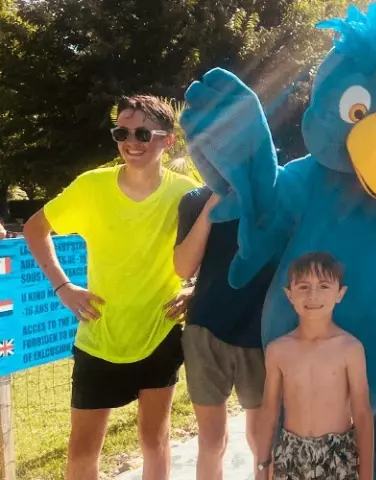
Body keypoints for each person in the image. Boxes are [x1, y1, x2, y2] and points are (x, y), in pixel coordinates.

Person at [23, 95, 198, 480]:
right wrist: (63, 287)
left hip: (159, 331)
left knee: (154, 441)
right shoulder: (92, 186)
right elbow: (36, 229)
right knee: (82, 452)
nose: (131, 142)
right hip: (99, 336)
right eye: (122, 132)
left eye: (142, 133)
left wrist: (195, 289)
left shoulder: (186, 193)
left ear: (168, 140)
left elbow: (219, 245)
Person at [174, 185, 278, 479]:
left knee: (263, 440)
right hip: (206, 331)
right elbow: (183, 268)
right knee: (212, 441)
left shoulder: (276, 191)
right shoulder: (195, 200)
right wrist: (214, 202)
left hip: (260, 333)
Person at [255, 252, 374, 480]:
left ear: (340, 294)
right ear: (289, 295)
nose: (313, 295)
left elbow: (362, 413)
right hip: (291, 454)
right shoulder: (278, 350)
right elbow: (269, 410)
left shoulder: (350, 348)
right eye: (303, 287)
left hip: (338, 455)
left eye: (323, 286)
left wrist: (367, 474)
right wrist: (262, 466)